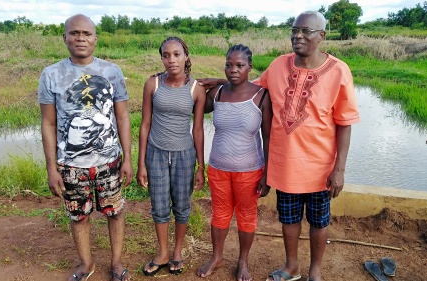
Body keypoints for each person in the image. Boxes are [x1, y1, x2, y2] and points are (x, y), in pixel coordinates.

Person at [199, 11, 360, 281]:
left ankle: (315, 271)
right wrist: (221, 82)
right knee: (288, 220)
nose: (297, 35)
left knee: (319, 222)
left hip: (320, 168)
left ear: (322, 36)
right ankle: (291, 266)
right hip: (285, 165)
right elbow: (250, 88)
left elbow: (345, 123)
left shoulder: (339, 71)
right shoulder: (278, 66)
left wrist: (339, 169)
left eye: (306, 31)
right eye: (294, 30)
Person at [38, 14, 133, 281]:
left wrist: (127, 158)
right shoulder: (51, 74)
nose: (81, 38)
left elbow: (123, 117)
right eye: (75, 33)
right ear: (65, 37)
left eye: (87, 34)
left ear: (95, 38)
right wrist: (51, 167)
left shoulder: (111, 71)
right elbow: (47, 123)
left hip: (109, 161)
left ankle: (116, 264)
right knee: (78, 217)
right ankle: (86, 264)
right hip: (70, 165)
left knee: (115, 212)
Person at [196, 44, 273, 281]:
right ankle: (217, 257)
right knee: (219, 214)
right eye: (228, 65)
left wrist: (267, 174)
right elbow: (194, 103)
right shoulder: (217, 94)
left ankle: (242, 262)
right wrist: (185, 82)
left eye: (240, 65)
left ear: (250, 67)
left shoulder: (261, 96)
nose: (233, 70)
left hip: (250, 170)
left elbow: (268, 136)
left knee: (246, 215)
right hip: (218, 167)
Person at [136, 36, 206, 276]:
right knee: (159, 205)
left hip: (184, 155)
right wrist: (141, 164)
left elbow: (197, 130)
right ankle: (163, 252)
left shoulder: (196, 89)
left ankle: (177, 252)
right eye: (166, 55)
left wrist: (201, 167)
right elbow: (145, 124)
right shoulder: (152, 84)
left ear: (185, 56)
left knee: (182, 205)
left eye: (176, 54)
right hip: (156, 153)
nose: (171, 60)